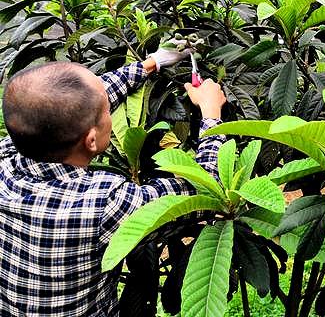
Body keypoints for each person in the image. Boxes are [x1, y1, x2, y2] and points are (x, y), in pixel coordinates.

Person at [0, 48, 227, 316]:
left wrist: (152, 63)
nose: (111, 109)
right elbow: (205, 192)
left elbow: (77, 102)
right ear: (91, 140)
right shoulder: (103, 203)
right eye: (107, 110)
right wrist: (212, 115)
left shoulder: (7, 154)